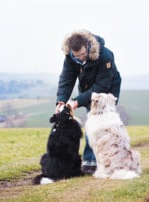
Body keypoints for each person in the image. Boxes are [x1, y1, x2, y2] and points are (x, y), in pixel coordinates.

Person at [55, 30, 122, 174]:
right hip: (87, 90)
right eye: (77, 56)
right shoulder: (71, 57)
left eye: (83, 54)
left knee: (101, 125)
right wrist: (61, 101)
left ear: (88, 45)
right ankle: (88, 162)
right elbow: (66, 80)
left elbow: (101, 87)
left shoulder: (105, 56)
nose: (81, 58)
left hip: (107, 91)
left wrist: (76, 102)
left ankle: (101, 160)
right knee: (91, 124)